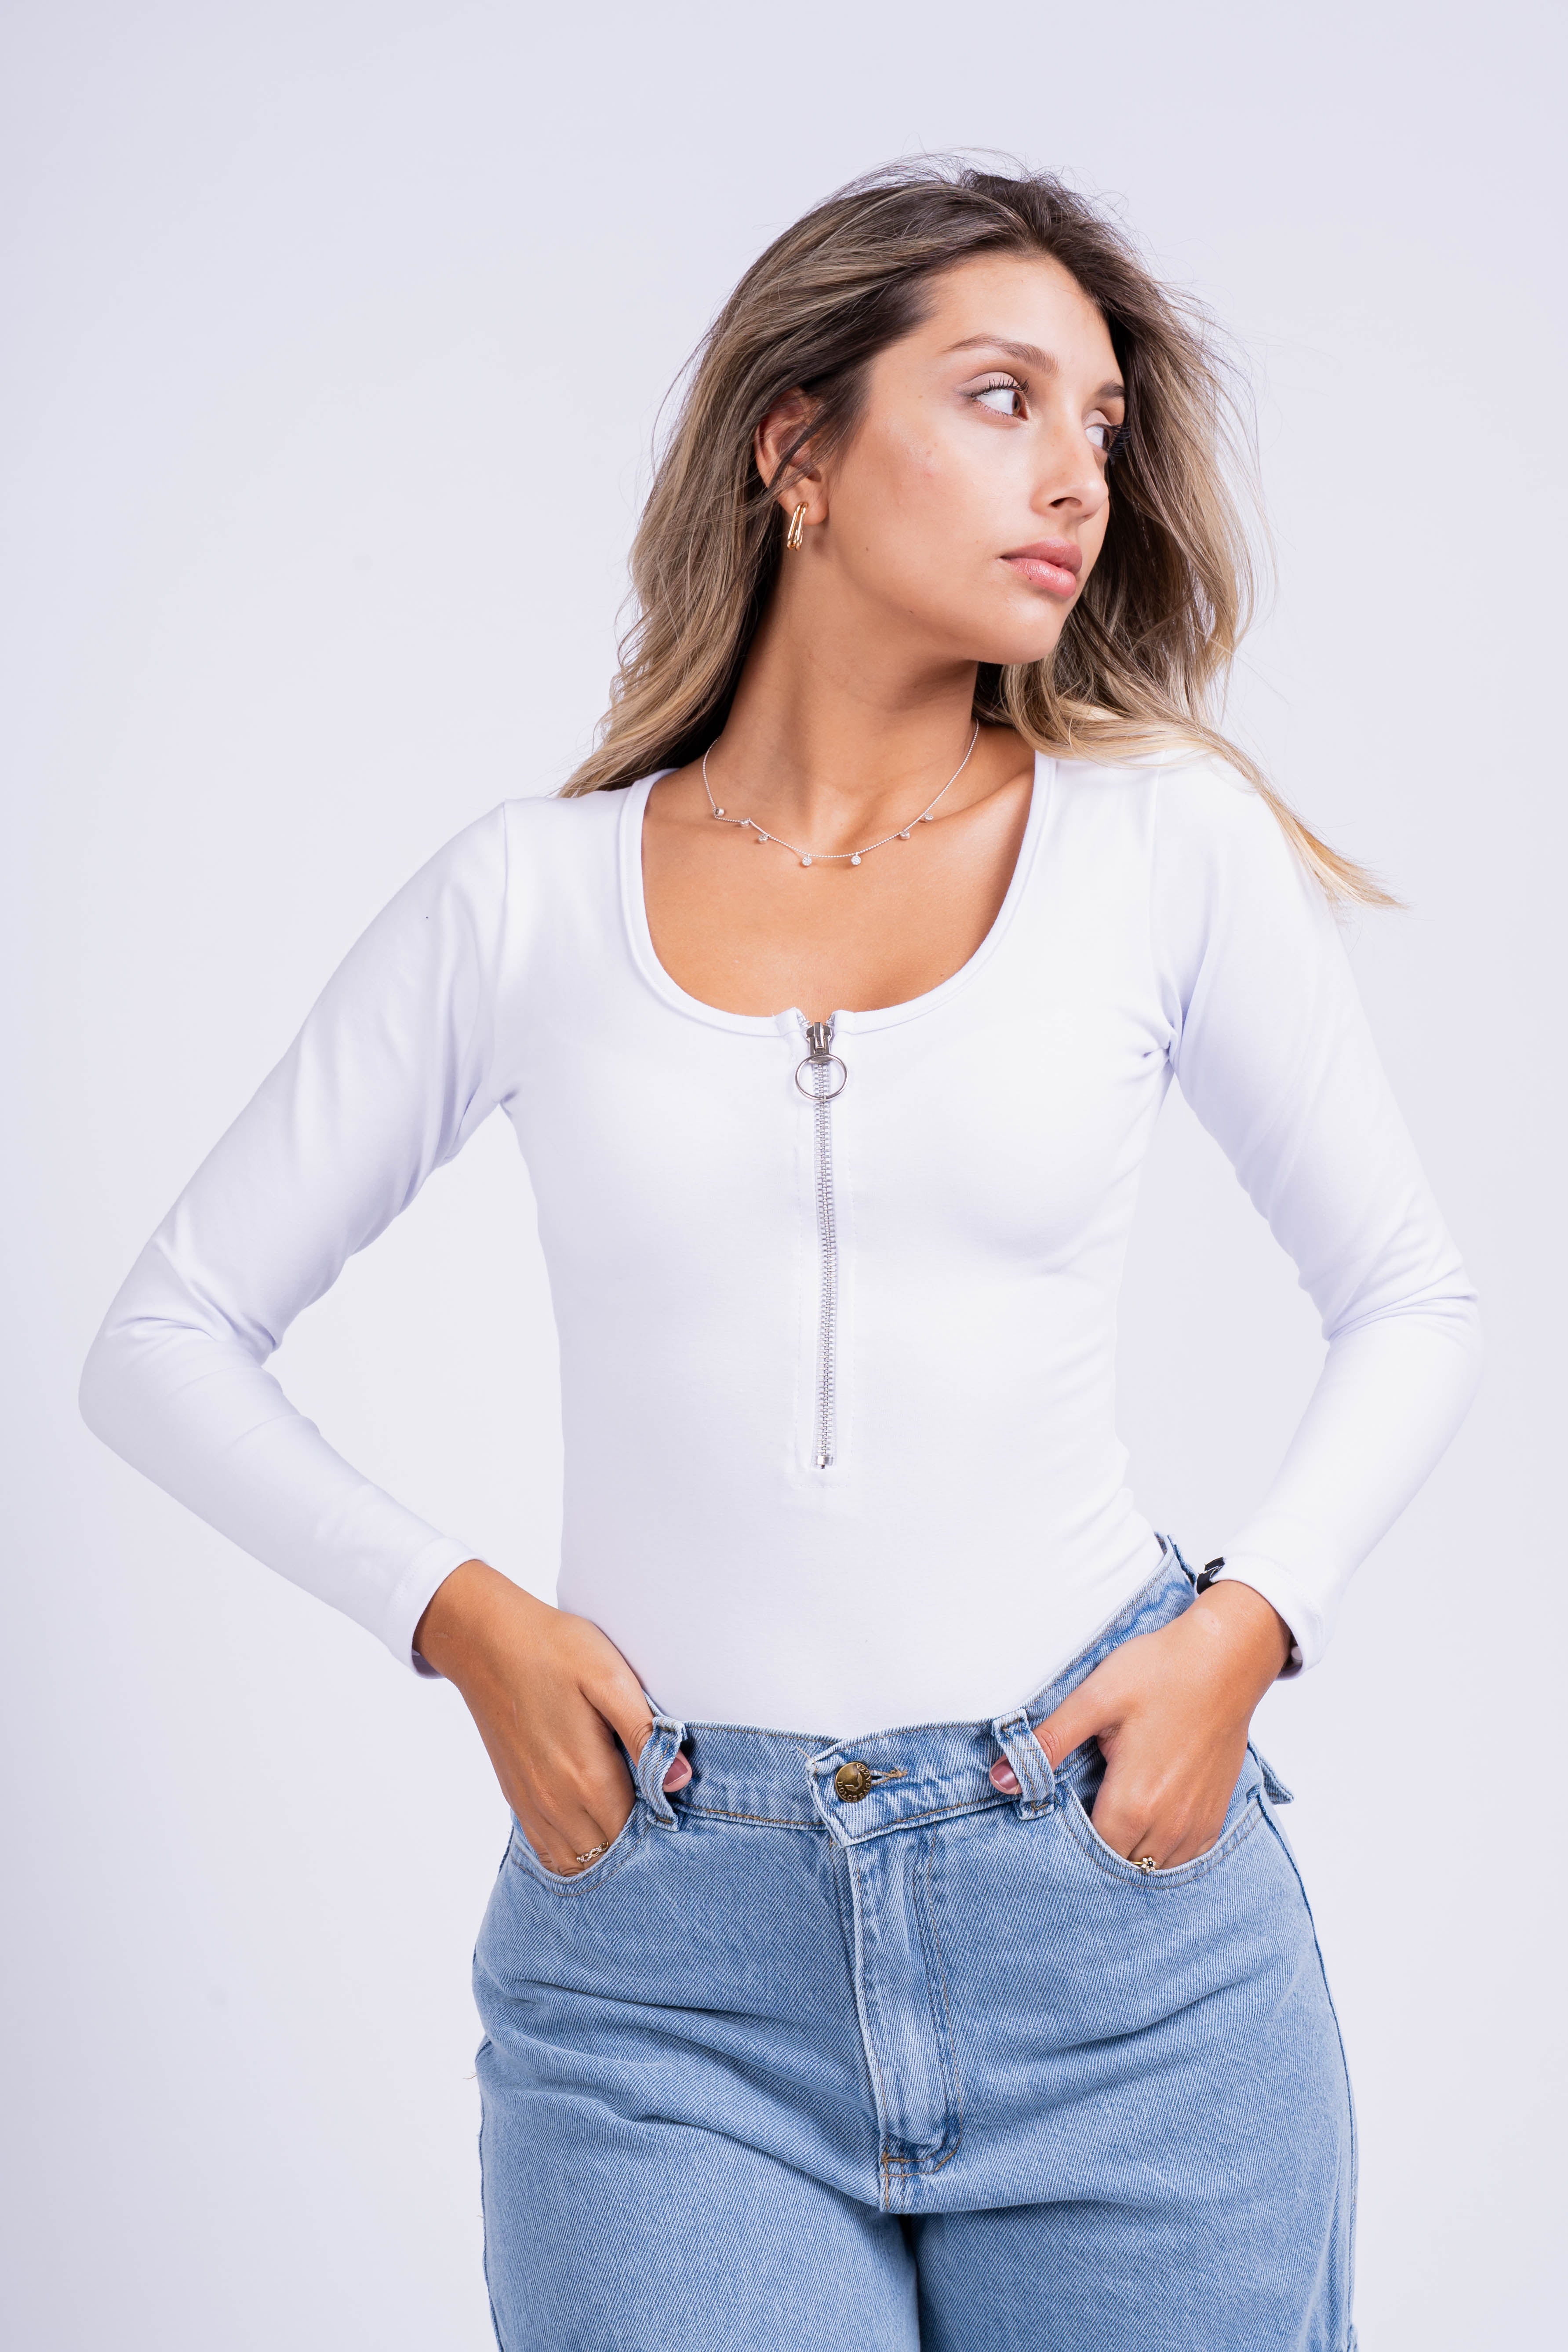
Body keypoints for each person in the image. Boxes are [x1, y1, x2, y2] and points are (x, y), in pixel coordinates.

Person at [79, 160, 1482, 2351]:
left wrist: (1248, 1626)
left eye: (1103, 424)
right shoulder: (526, 901)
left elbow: (1410, 1297)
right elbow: (163, 1340)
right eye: (1002, 398)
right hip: (664, 1983)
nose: (1076, 475)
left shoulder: (1160, 848)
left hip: (1114, 1931)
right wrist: (457, 1617)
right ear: (795, 447)